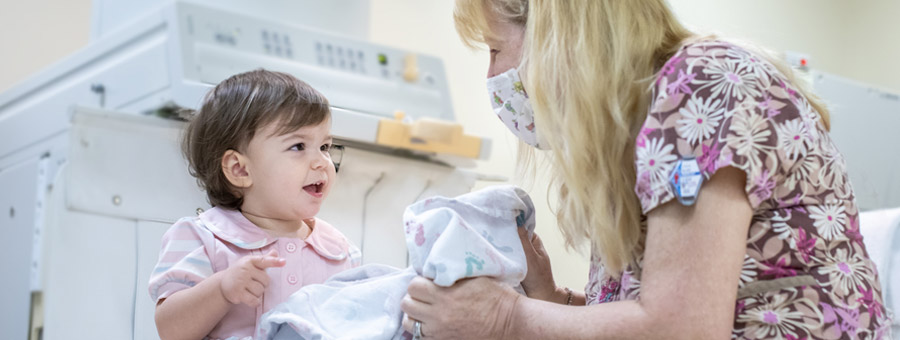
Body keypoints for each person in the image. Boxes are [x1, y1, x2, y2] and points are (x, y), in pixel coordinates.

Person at [400, 1, 893, 339]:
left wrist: (507, 317)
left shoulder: (702, 86)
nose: (493, 78)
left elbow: (681, 328)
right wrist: (550, 298)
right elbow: (640, 318)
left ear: (560, 33)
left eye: (494, 49)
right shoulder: (637, 137)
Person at [148, 69, 359, 340]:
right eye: (298, 146)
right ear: (239, 169)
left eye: (325, 147)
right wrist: (221, 289)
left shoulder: (341, 253)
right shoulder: (202, 238)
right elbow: (170, 330)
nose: (321, 162)